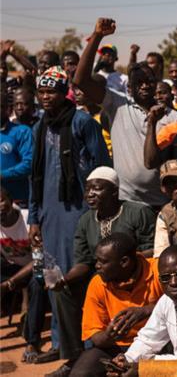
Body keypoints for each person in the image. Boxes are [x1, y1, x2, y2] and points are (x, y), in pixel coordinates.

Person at [28, 66, 110, 371]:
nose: (46, 97)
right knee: (54, 279)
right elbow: (34, 175)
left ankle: (86, 349)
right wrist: (34, 217)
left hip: (80, 213)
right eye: (42, 91)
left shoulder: (82, 122)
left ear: (65, 93)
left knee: (82, 279)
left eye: (52, 91)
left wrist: (97, 210)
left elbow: (102, 168)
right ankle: (61, 344)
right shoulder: (40, 126)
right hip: (49, 214)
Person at [75, 17, 177, 209]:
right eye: (138, 82)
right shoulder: (118, 104)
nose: (145, 85)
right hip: (125, 204)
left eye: (149, 80)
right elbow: (81, 80)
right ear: (129, 88)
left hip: (162, 205)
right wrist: (97, 36)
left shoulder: (172, 117)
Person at [53, 167, 156, 346]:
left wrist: (121, 261)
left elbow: (153, 250)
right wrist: (64, 280)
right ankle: (74, 354)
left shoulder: (138, 212)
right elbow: (84, 262)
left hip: (133, 277)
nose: (90, 194)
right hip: (100, 278)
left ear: (114, 192)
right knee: (64, 292)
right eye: (87, 189)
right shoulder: (86, 220)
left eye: (97, 188)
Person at [107, 246, 177, 377]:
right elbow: (148, 340)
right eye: (166, 278)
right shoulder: (166, 301)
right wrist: (126, 360)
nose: (173, 282)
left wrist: (146, 370)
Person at [71, 233, 162, 376]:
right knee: (81, 373)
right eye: (97, 260)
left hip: (158, 344)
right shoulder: (97, 283)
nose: (97, 266)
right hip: (116, 347)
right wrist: (110, 335)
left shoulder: (158, 271)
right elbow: (96, 337)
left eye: (103, 261)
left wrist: (146, 311)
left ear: (124, 262)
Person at [0, 187, 48, 363]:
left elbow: (39, 261)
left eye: (1, 200)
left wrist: (9, 284)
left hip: (39, 268)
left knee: (37, 282)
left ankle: (32, 342)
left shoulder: (29, 219)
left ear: (11, 200)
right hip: (13, 268)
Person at [1, 85, 33, 206]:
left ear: (8, 110)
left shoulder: (22, 132)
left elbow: (28, 164)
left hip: (17, 202)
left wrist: (3, 175)